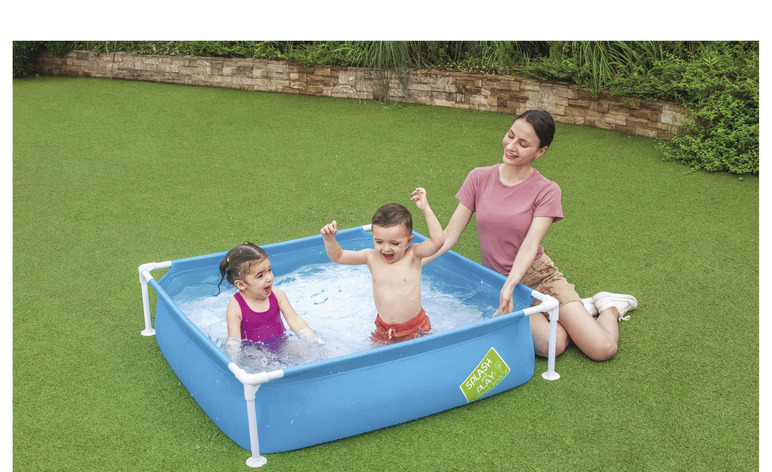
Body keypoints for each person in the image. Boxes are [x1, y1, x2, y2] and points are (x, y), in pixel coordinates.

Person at [423, 110, 637, 361]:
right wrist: (415, 261)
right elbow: (450, 235)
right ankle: (573, 313)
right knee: (552, 346)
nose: (511, 146)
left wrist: (511, 284)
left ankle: (608, 307)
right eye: (510, 135)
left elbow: (530, 244)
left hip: (539, 276)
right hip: (500, 281)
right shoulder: (478, 177)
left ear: (540, 151)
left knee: (603, 349)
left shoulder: (546, 190)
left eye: (523, 144)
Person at [320, 188, 445, 343]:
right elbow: (338, 256)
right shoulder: (371, 257)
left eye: (395, 243)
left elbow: (438, 241)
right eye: (379, 242)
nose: (386, 248)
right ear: (372, 237)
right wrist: (329, 239)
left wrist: (425, 208)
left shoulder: (413, 255)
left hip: (414, 327)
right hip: (383, 328)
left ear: (408, 241)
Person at [217, 242, 322, 349]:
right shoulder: (236, 306)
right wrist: (233, 354)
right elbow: (234, 340)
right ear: (241, 284)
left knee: (304, 352)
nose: (269, 278)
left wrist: (311, 338)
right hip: (254, 350)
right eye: (260, 276)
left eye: (269, 270)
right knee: (260, 358)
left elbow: (295, 320)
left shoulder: (278, 295)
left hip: (282, 343)